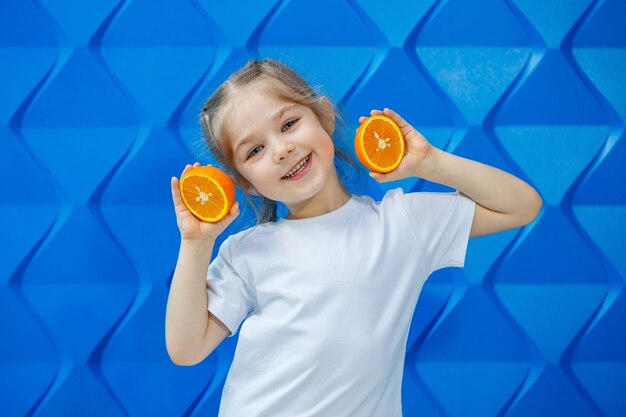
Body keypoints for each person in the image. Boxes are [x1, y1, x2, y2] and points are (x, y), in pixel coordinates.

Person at [165, 58, 542, 416]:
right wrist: (195, 245)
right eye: (256, 150)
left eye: (288, 124)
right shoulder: (246, 252)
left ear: (325, 116)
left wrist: (431, 162)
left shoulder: (402, 224)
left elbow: (521, 206)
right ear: (248, 182)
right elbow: (186, 349)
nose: (282, 150)